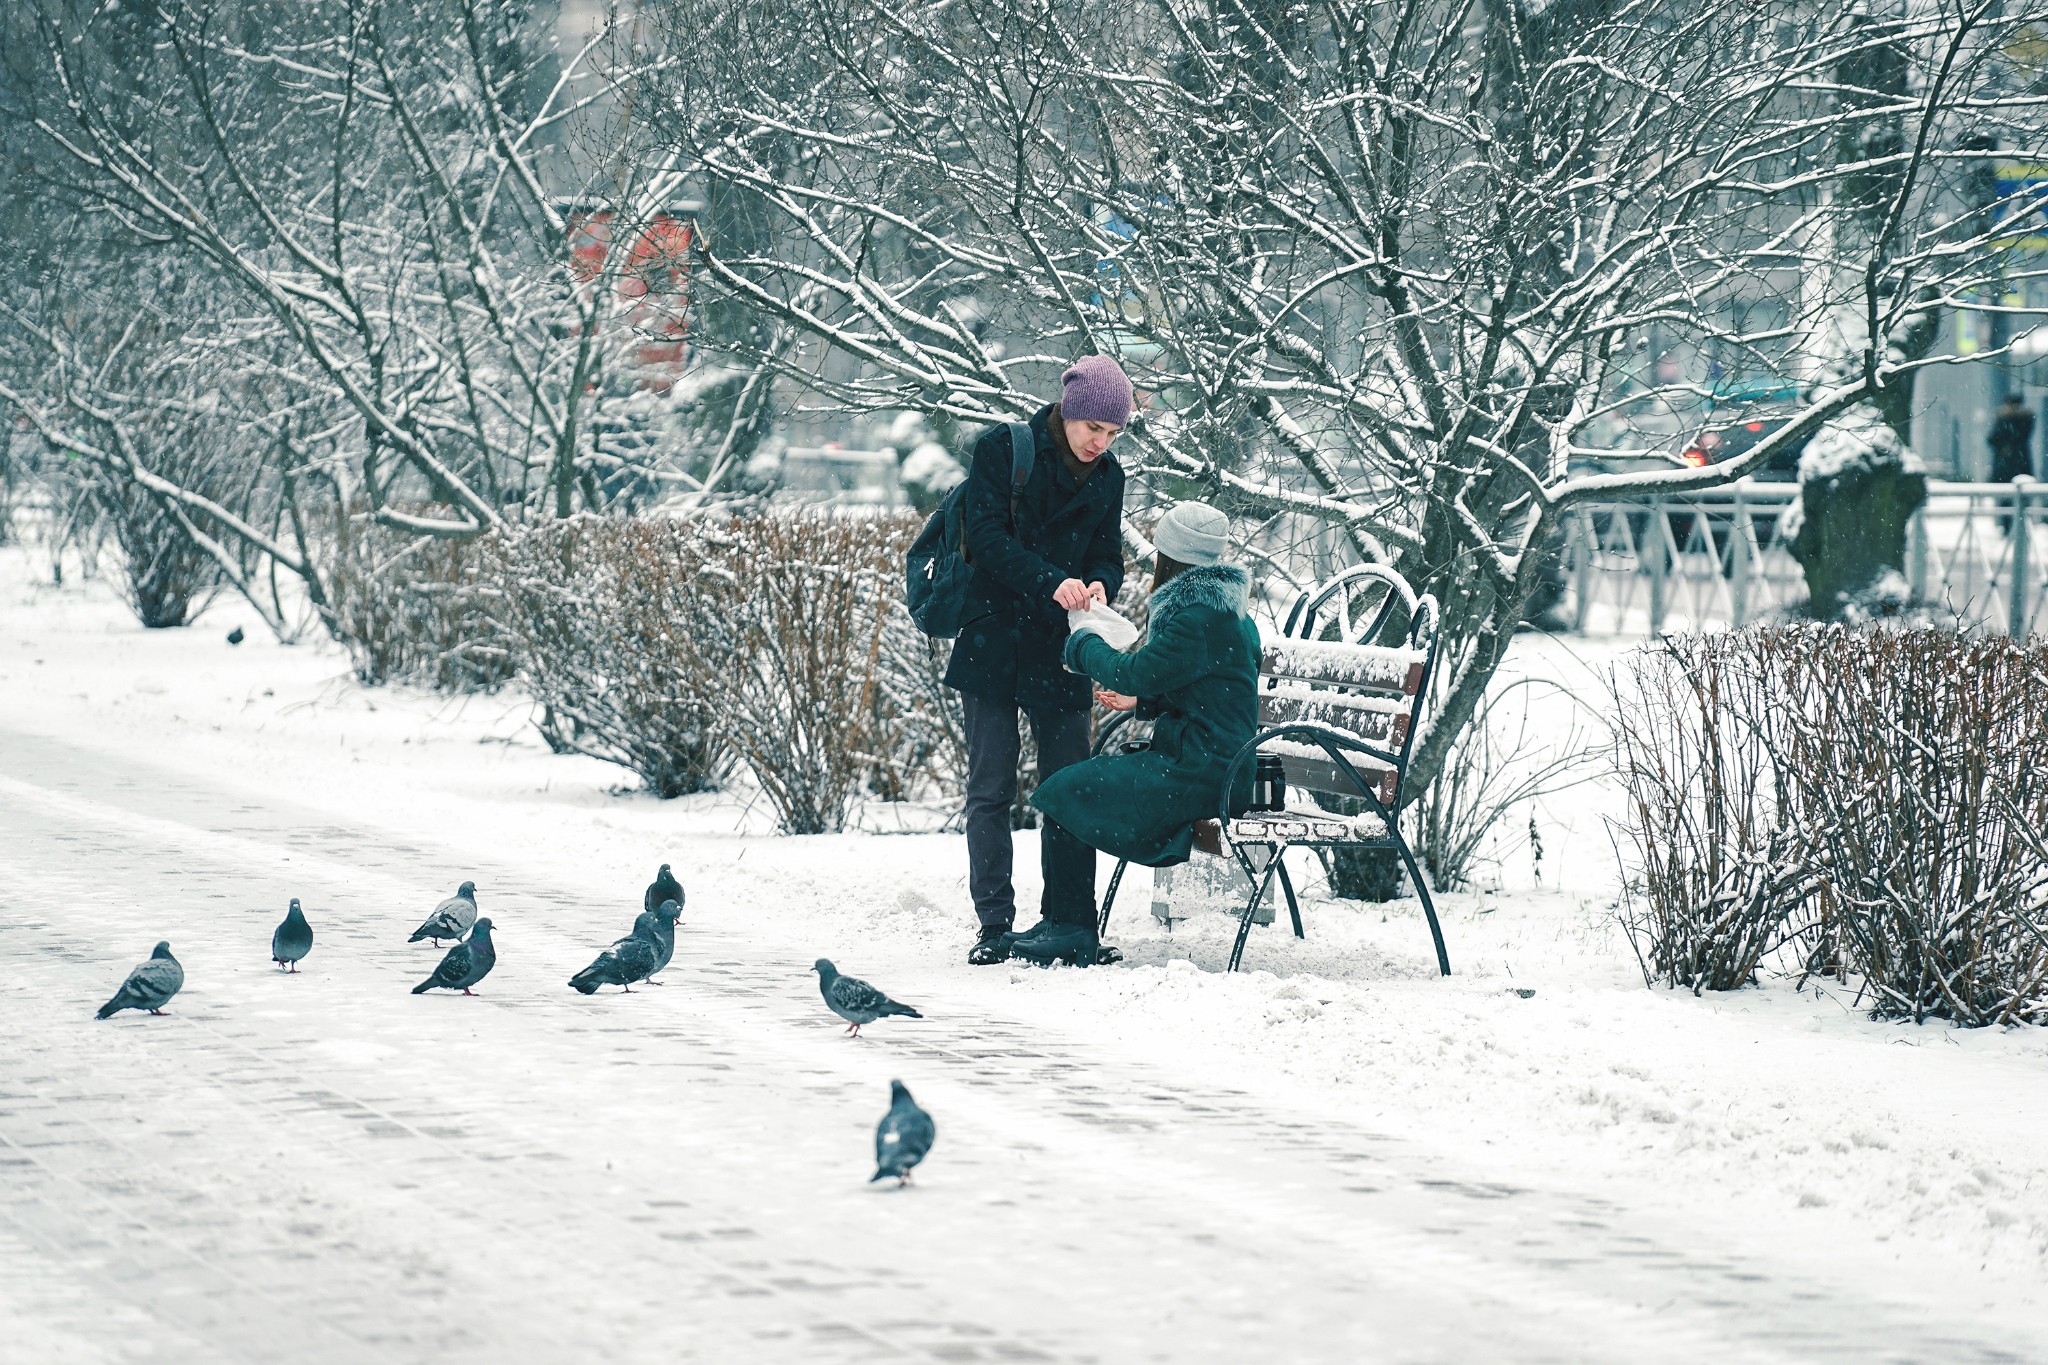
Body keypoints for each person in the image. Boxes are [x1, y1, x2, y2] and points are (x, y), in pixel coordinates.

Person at [1011, 502, 1262, 968]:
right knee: (1072, 786)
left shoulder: (1197, 618)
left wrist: (1083, 640)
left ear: (1171, 556)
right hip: (1215, 761)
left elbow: (1131, 672)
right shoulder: (1226, 614)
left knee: (1069, 788)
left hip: (1205, 771)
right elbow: (1216, 689)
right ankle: (1062, 921)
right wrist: (1145, 704)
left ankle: (1069, 927)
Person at [947, 356, 1131, 967]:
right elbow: (987, 539)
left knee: (1070, 786)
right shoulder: (1005, 449)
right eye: (1093, 430)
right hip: (994, 636)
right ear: (1069, 412)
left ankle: (1071, 923)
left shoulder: (1109, 476)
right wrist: (1052, 581)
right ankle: (994, 923)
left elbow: (1109, 551)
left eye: (1112, 435)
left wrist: (1102, 583)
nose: (1100, 444)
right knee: (991, 787)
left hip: (1062, 649)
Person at [1989, 393, 2035, 485]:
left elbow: (1993, 439)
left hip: (2006, 465)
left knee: (2004, 490)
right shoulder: (2025, 420)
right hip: (2019, 464)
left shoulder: (2004, 420)